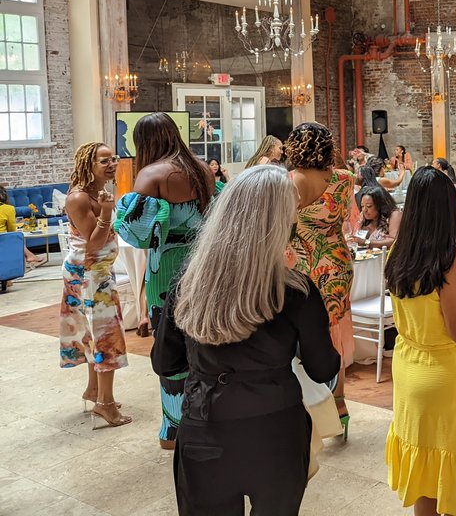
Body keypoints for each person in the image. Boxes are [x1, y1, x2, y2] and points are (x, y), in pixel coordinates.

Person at [151, 165, 340, 515]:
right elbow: (323, 367)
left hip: (205, 424)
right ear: (280, 221)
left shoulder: (188, 283)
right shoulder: (294, 291)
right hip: (275, 429)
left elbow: (165, 363)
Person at [384, 167, 456, 516]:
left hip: (408, 369)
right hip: (444, 374)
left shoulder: (397, 254)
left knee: (424, 474)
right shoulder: (447, 259)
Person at [115, 111, 216, 449]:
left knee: (169, 344)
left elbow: (137, 235)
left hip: (166, 271)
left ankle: (174, 429)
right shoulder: (201, 169)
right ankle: (209, 415)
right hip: (202, 265)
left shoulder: (151, 175)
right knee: (202, 340)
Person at [285, 122, 355, 436]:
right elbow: (348, 222)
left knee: (298, 337)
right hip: (337, 262)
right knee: (333, 331)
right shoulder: (344, 179)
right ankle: (339, 404)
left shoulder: (287, 183)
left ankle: (307, 408)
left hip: (301, 265)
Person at [60, 143, 130, 428]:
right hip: (89, 275)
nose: (112, 163)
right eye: (104, 160)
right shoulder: (78, 198)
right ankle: (105, 404)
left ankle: (93, 390)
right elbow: (92, 245)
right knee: (106, 338)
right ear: (89, 164)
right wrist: (105, 213)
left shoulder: (95, 194)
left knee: (92, 335)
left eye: (113, 158)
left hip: (95, 272)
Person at [0, 184, 44, 266]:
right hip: (2, 240)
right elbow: (11, 230)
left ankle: (29, 256)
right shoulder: (8, 208)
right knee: (16, 236)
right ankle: (29, 256)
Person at [352, 185, 402, 250]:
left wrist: (366, 242)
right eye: (362, 206)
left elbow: (394, 241)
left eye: (369, 206)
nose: (364, 210)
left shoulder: (394, 215)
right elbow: (357, 239)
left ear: (380, 205)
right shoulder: (364, 218)